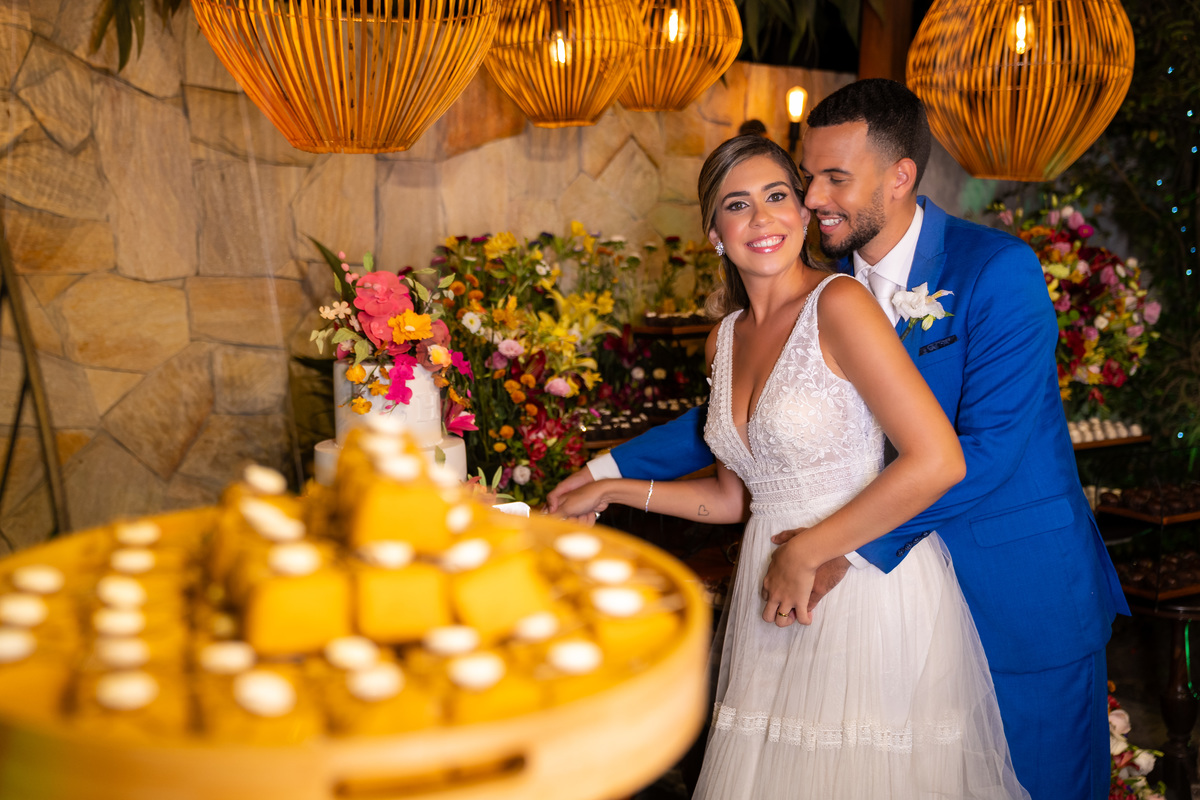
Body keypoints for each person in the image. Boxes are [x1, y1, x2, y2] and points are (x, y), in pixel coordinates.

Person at [548, 79, 1128, 800]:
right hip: (871, 612)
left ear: (899, 177)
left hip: (1011, 591)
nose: (812, 197)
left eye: (833, 178)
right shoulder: (818, 281)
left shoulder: (994, 270)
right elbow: (741, 422)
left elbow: (989, 452)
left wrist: (833, 547)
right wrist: (603, 473)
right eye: (807, 177)